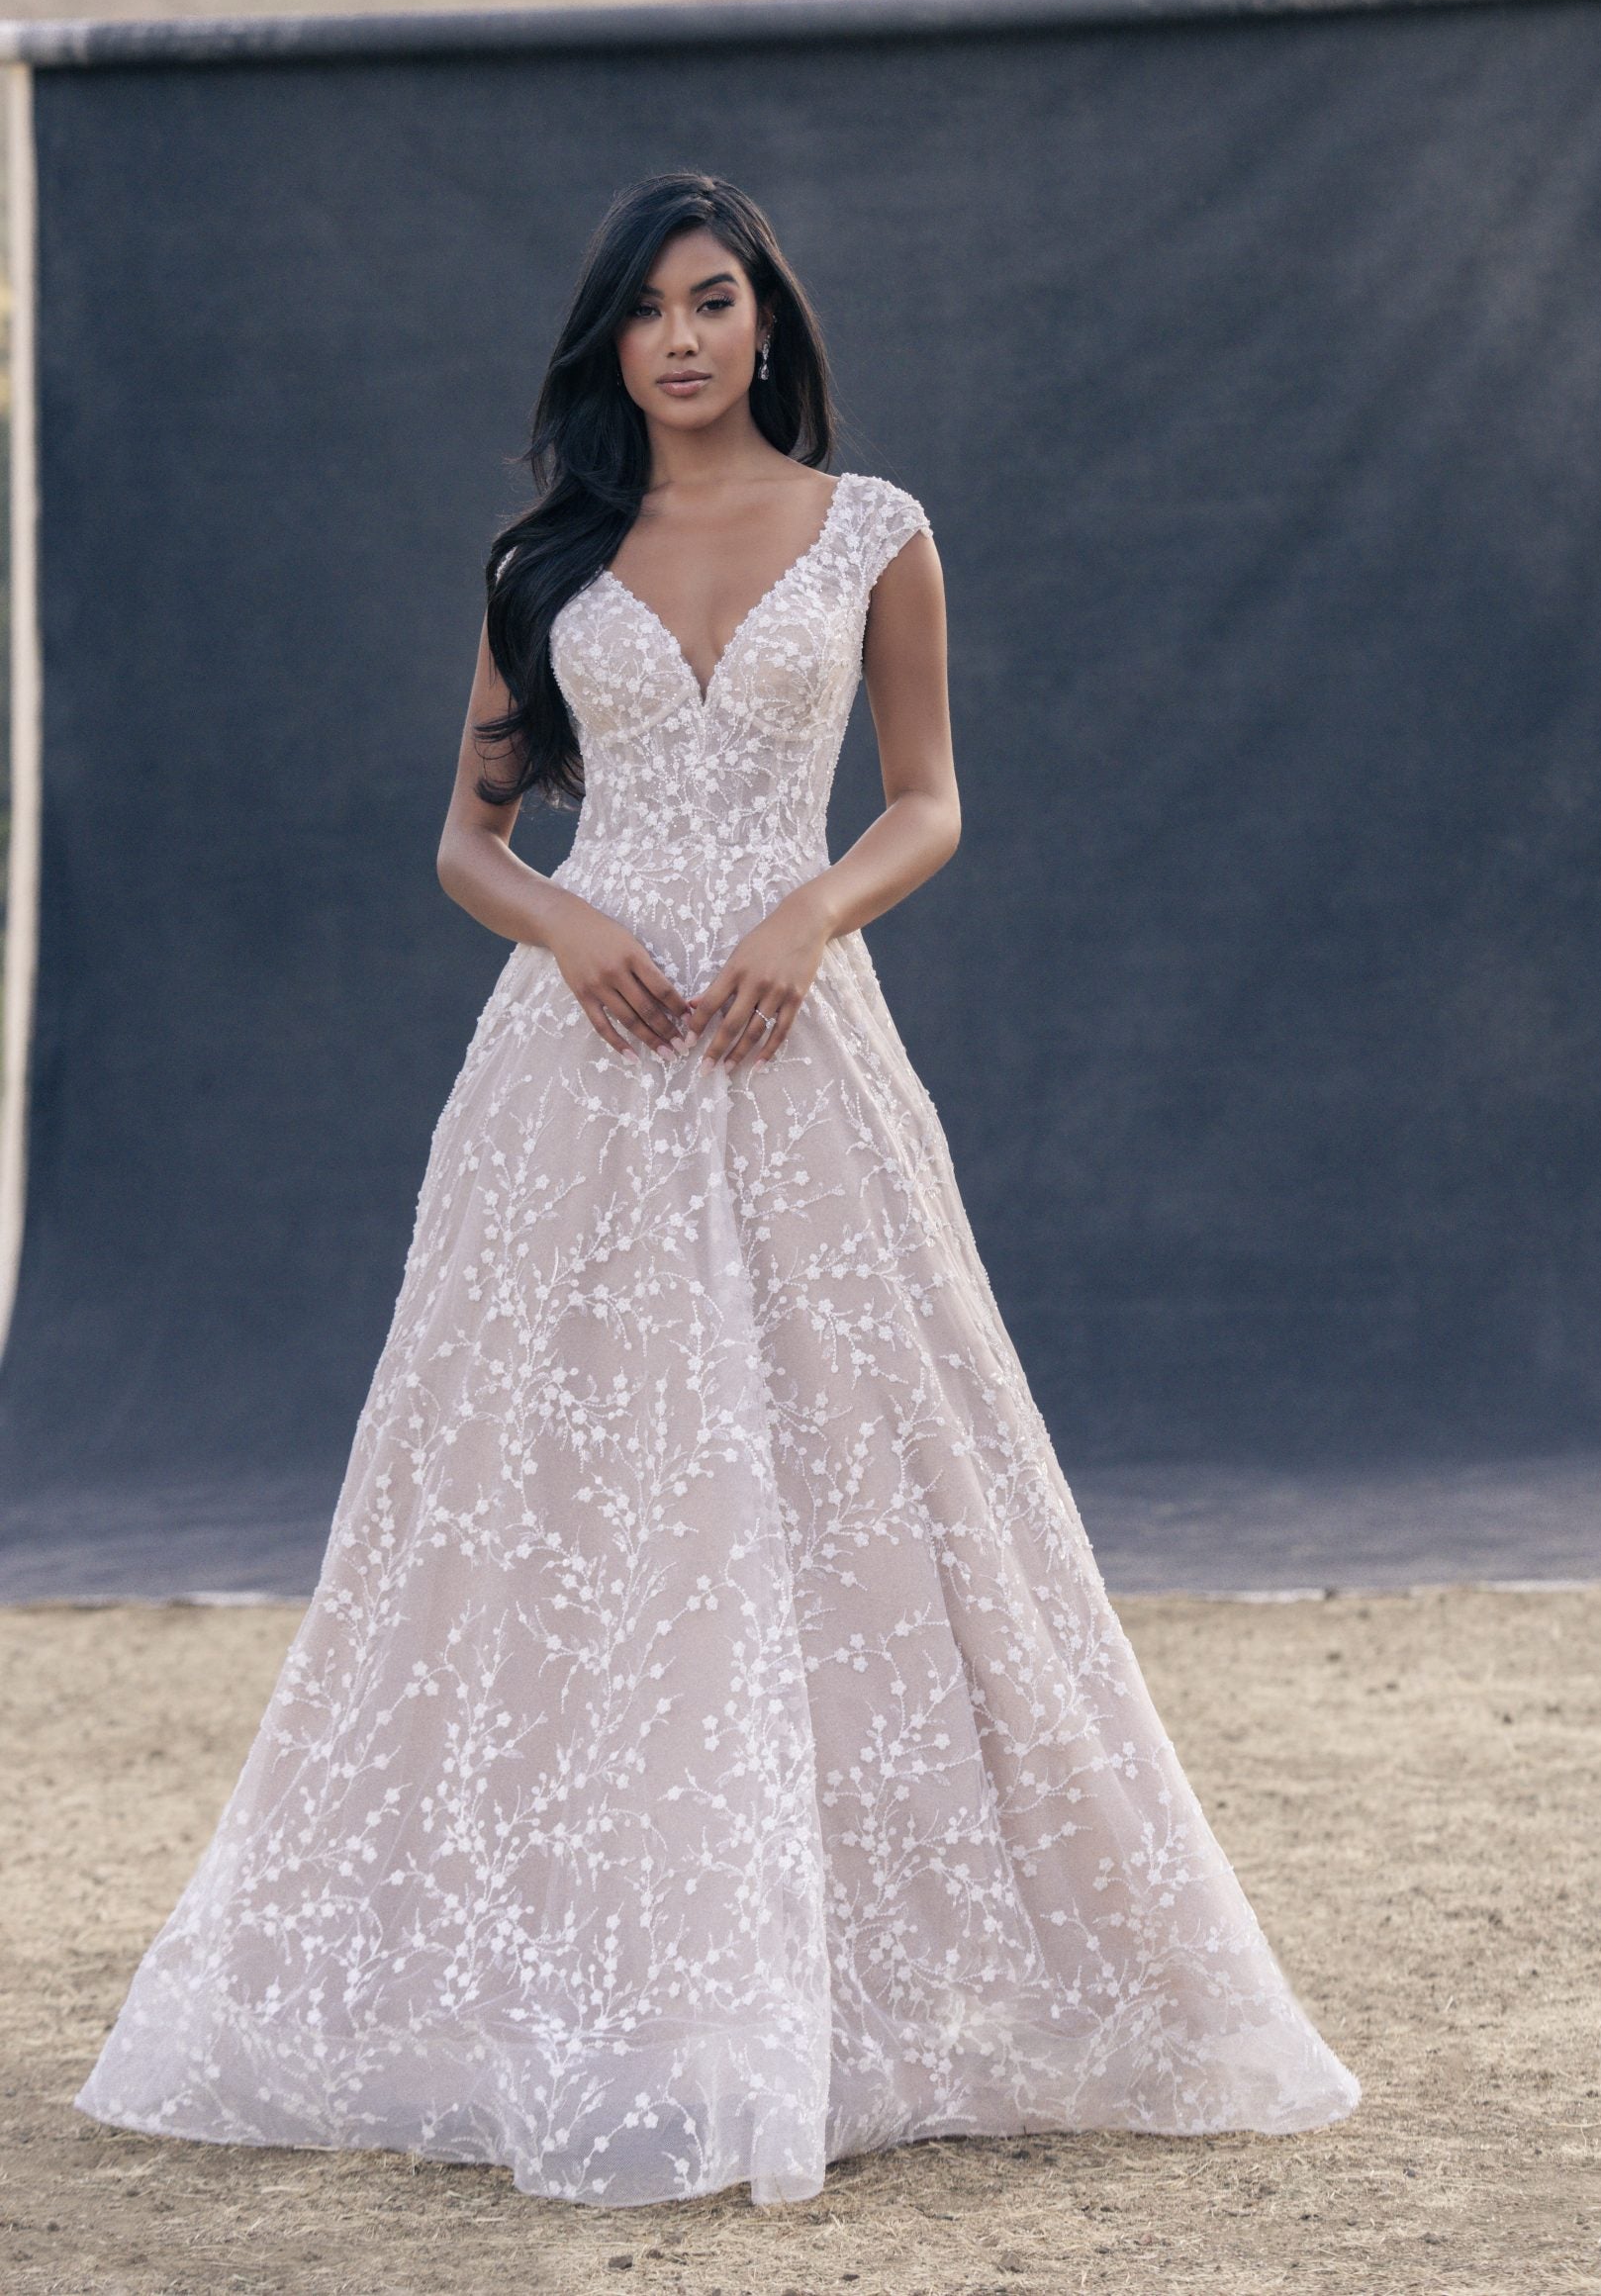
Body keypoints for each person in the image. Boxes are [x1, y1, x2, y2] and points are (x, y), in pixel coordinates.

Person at [75, 171, 1360, 2208]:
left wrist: (810, 914)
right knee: (564, 1498)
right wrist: (565, 926)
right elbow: (468, 842)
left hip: (788, 1051)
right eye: (647, 312)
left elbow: (928, 799)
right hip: (577, 1075)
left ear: (766, 323)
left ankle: (840, 1990)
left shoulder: (874, 532)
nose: (679, 340)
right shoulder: (543, 560)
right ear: (610, 343)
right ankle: (586, 1978)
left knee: (851, 1480)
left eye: (712, 303)